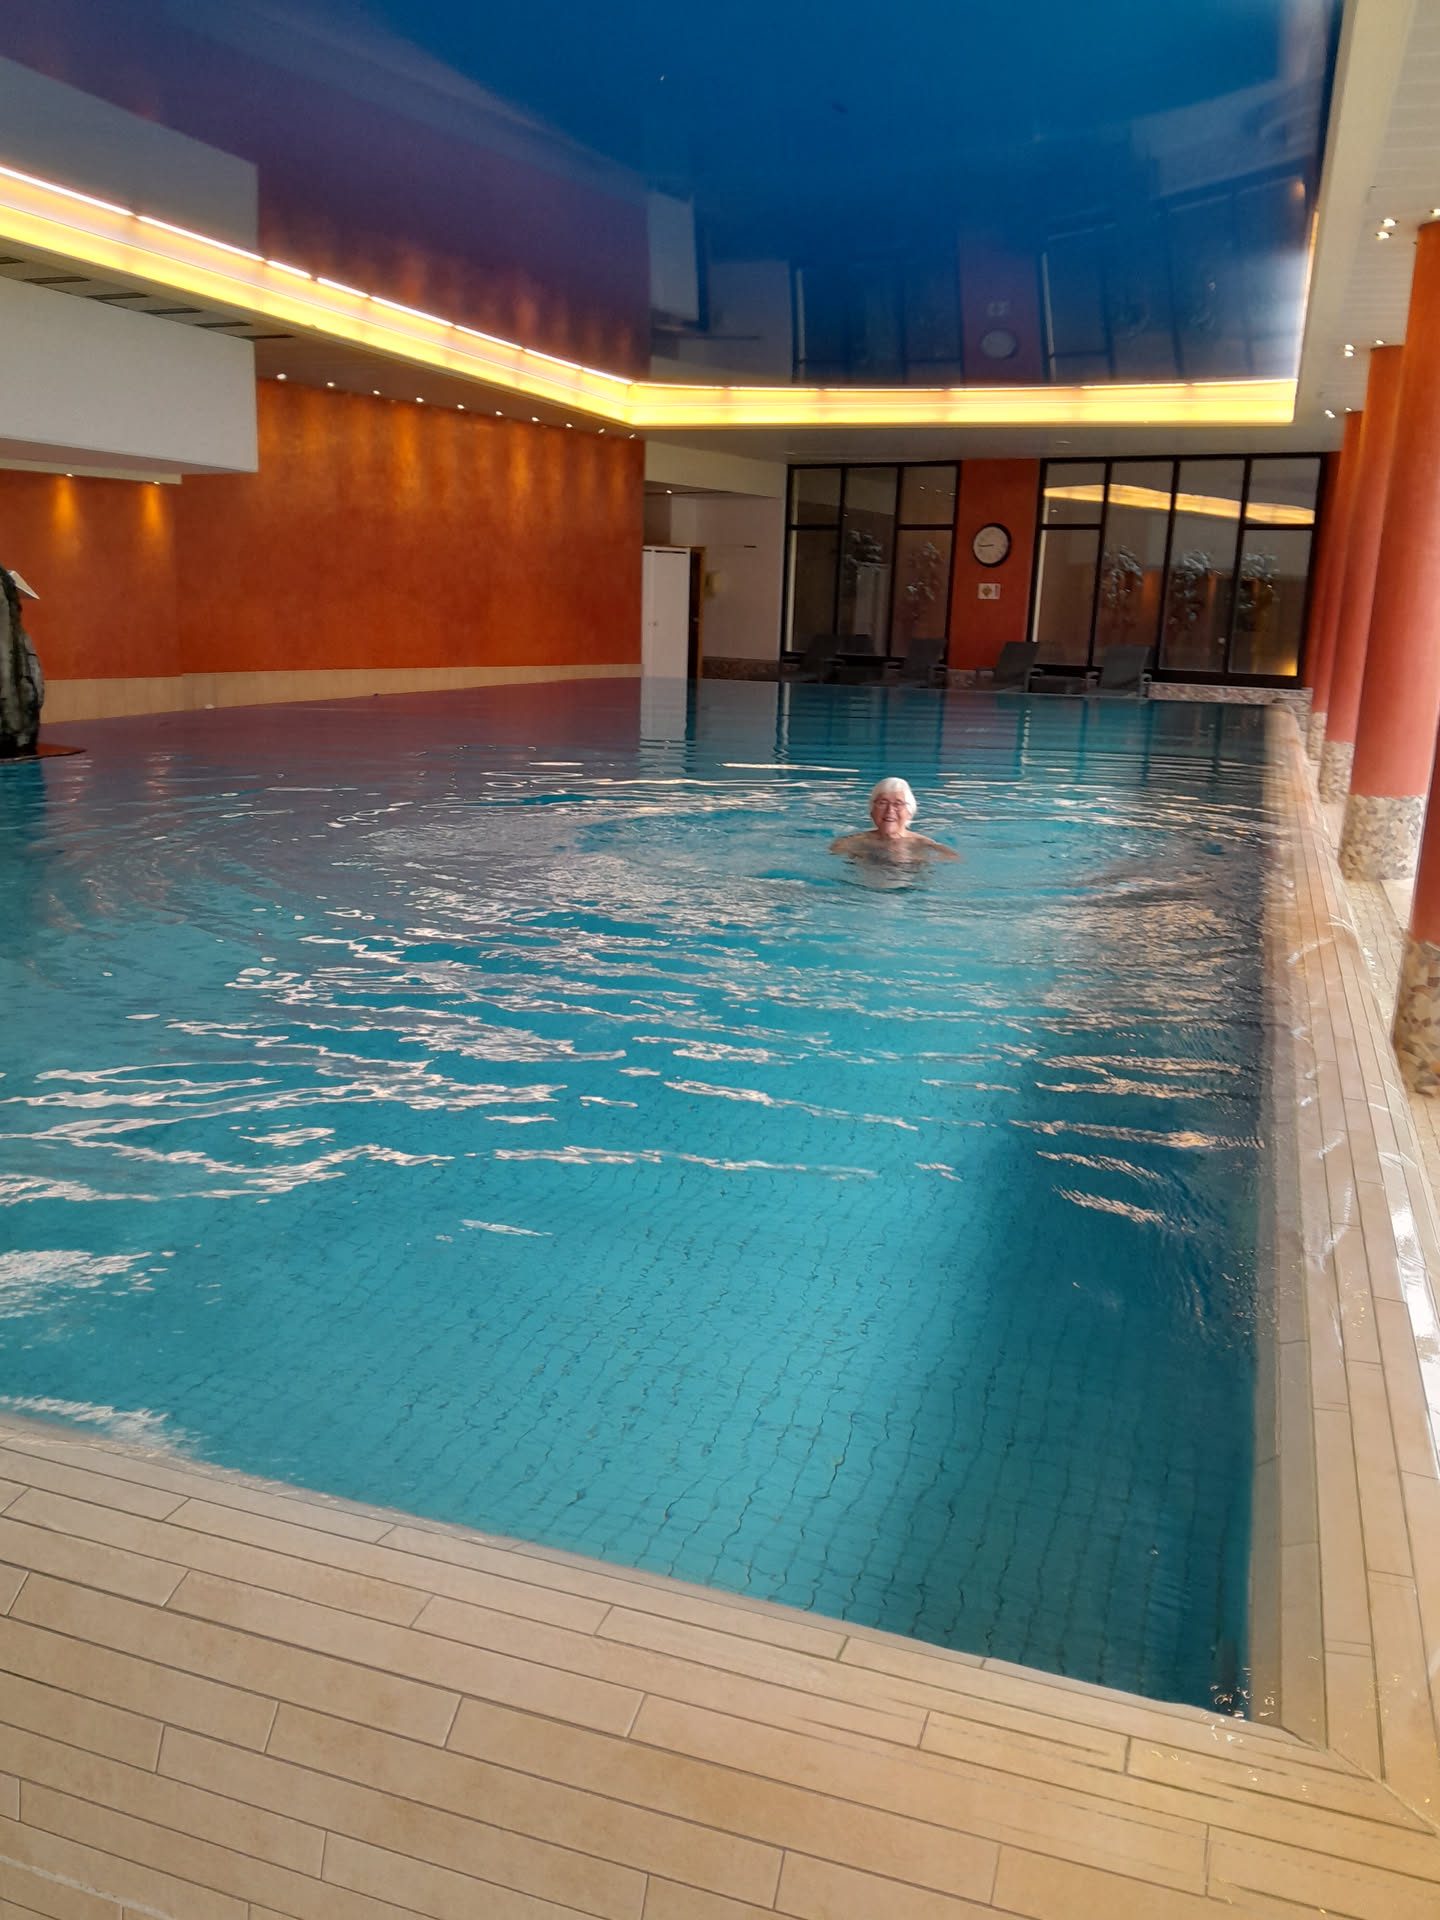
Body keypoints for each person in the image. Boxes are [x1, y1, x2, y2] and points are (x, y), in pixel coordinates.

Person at [830, 777, 957, 862]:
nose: (890, 810)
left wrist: (917, 859)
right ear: (872, 811)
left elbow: (953, 860)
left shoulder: (925, 845)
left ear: (909, 812)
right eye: (882, 803)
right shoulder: (847, 843)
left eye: (898, 804)